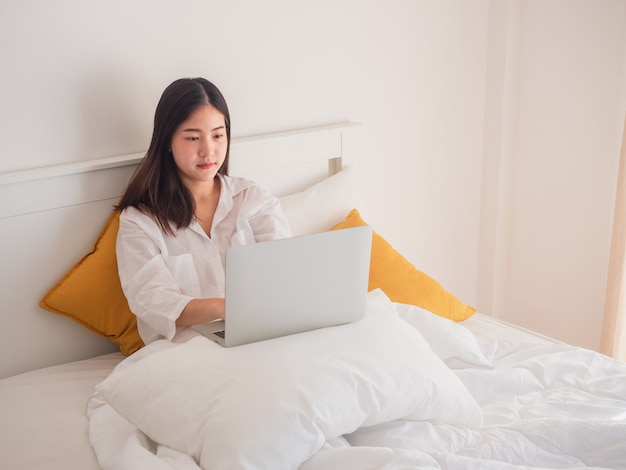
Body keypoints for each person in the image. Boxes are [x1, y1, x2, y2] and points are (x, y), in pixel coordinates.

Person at [115, 77, 292, 345]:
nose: (208, 151)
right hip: (186, 350)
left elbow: (285, 272)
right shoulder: (140, 222)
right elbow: (153, 301)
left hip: (260, 336)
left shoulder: (252, 199)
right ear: (167, 141)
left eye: (218, 135)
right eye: (193, 137)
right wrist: (224, 308)